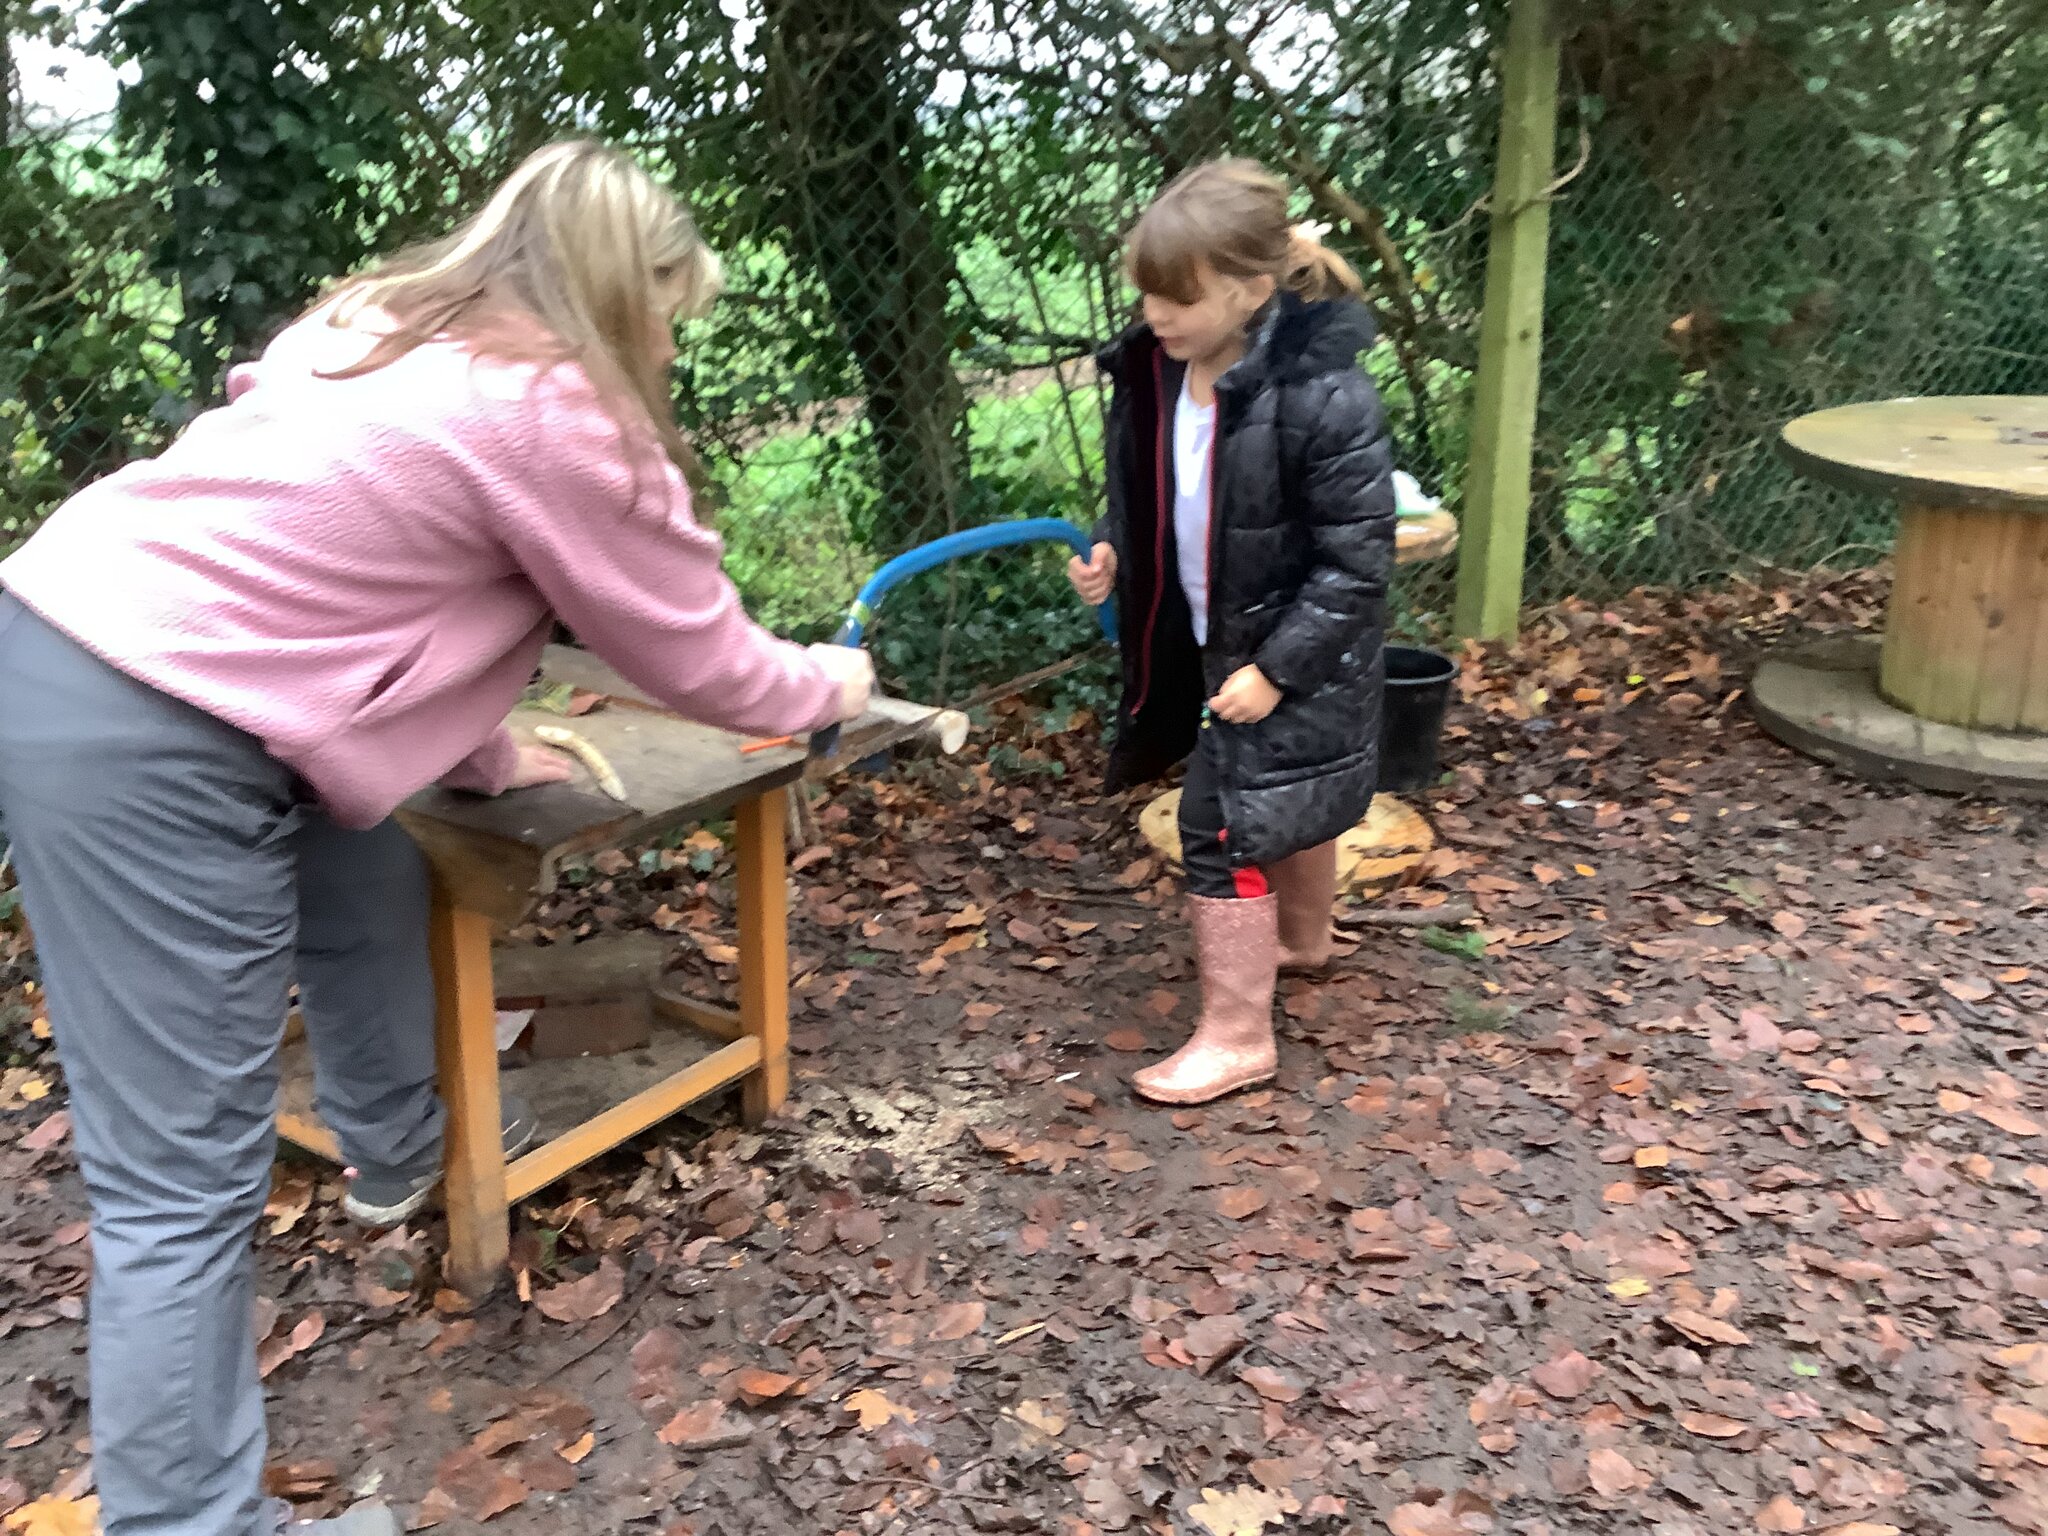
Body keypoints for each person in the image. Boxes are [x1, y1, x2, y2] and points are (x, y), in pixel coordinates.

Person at [0, 141, 873, 1536]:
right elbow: (706, 663)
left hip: (90, 642)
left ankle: (396, 1145)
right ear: (621, 288)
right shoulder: (561, 407)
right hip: (148, 725)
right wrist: (834, 684)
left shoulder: (374, 327)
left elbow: (342, 555)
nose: (670, 342)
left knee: (375, 860)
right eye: (671, 311)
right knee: (176, 1180)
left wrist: (471, 740)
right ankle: (189, 1523)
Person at [1068, 159, 1395, 1106]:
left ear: (1252, 290)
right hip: (1212, 645)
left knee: (1220, 825)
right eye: (1147, 295)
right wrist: (1114, 548)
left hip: (1300, 657)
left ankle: (1238, 1035)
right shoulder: (1157, 372)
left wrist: (1279, 672)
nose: (1155, 315)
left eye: (1177, 297)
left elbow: (1356, 563)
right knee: (1277, 802)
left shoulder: (1324, 396)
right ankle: (1303, 941)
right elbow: (1151, 491)